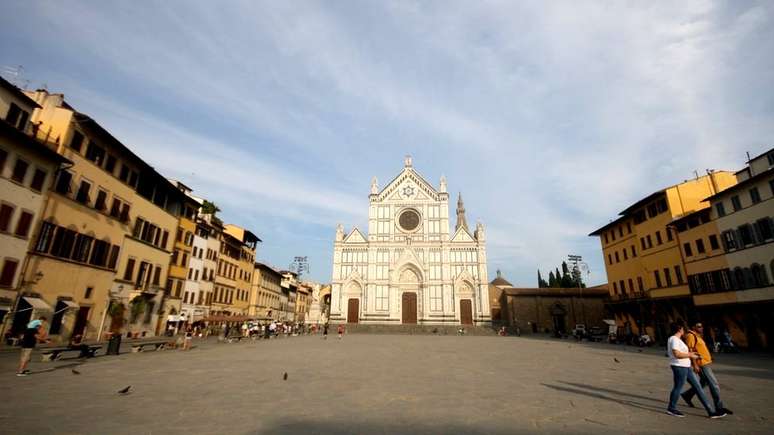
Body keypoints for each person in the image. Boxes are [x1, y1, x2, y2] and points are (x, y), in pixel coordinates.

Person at [665, 322, 725, 418]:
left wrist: (693, 354)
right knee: (678, 387)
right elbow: (677, 354)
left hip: (686, 367)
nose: (684, 330)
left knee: (698, 388)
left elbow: (682, 352)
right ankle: (671, 408)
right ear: (679, 329)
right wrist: (690, 355)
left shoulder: (678, 339)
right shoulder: (674, 339)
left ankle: (711, 411)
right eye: (683, 329)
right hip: (679, 367)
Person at [682, 322, 732, 415]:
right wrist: (695, 365)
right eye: (699, 326)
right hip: (701, 364)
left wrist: (709, 356)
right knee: (714, 385)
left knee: (704, 382)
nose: (701, 328)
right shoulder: (690, 336)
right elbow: (690, 350)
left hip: (705, 362)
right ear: (693, 327)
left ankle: (687, 395)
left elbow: (700, 348)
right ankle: (719, 407)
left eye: (701, 326)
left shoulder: (697, 335)